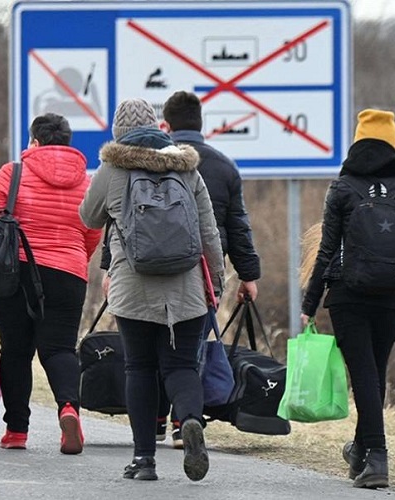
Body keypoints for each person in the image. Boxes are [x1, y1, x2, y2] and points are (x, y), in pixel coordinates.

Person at [79, 98, 225, 481]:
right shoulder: (187, 167)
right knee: (179, 366)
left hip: (132, 286)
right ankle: (190, 420)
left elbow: (88, 216)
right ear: (157, 127)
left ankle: (144, 460)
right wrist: (218, 283)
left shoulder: (112, 168)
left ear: (117, 132)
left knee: (139, 368)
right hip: (186, 288)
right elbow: (209, 231)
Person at [299, 109, 395, 488]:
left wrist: (309, 305)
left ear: (358, 140)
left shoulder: (343, 187)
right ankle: (361, 450)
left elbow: (326, 252)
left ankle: (377, 457)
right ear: (393, 142)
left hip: (347, 294)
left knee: (363, 374)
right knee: (375, 372)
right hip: (391, 294)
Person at [0, 113, 101, 455]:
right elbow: (93, 230)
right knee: (60, 349)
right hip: (68, 272)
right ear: (68, 143)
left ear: (34, 142)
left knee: (16, 349)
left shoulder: (13, 173)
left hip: (13, 271)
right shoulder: (87, 181)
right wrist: (74, 259)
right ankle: (68, 408)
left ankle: (16, 430)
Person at [155, 90, 262, 447]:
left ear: (165, 126)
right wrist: (248, 275)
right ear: (202, 126)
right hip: (204, 273)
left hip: (152, 269)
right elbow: (238, 227)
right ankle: (182, 419)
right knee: (191, 347)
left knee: (150, 340)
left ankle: (155, 415)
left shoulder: (152, 161)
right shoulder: (223, 166)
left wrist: (110, 268)